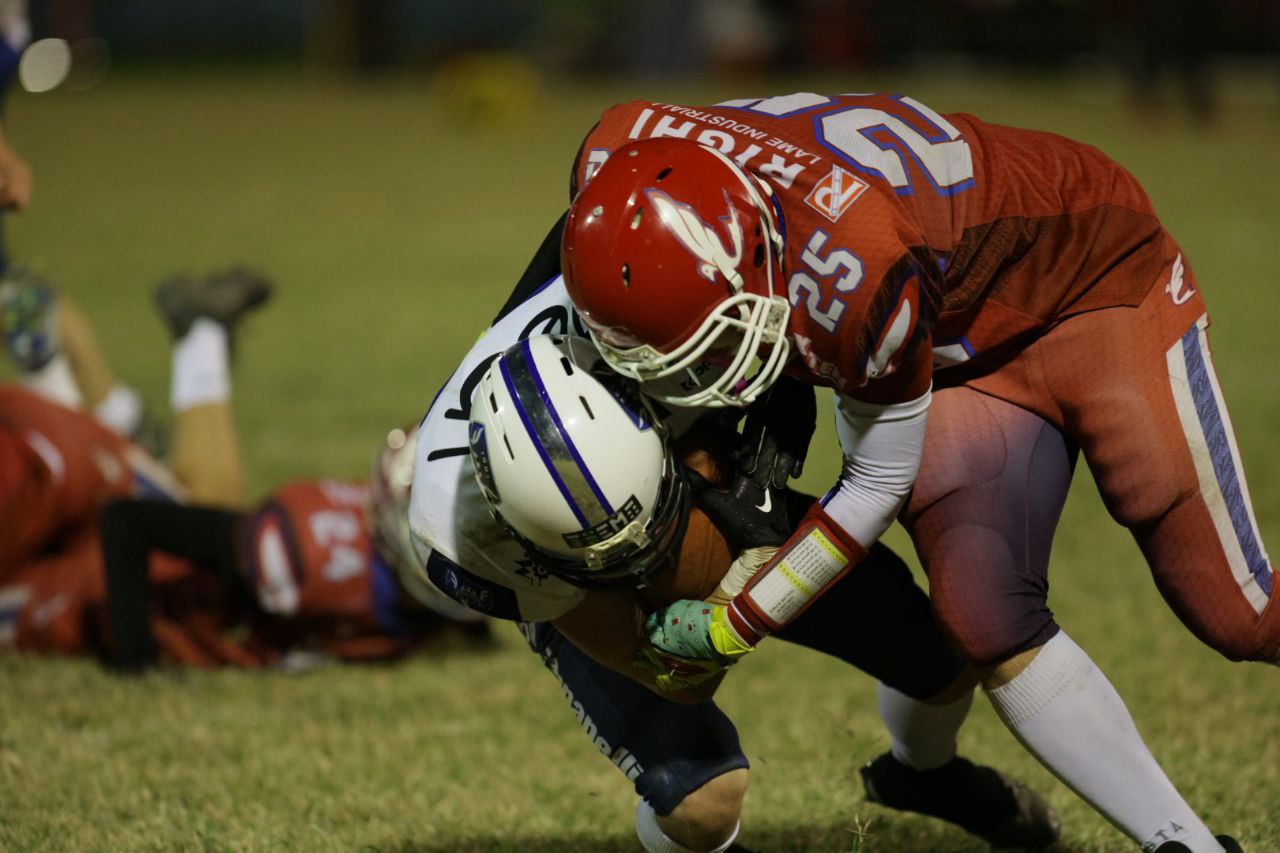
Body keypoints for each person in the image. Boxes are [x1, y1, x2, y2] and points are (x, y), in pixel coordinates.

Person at [557, 93, 1268, 852]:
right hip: (956, 338)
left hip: (1095, 282)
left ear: (763, 262)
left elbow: (872, 484)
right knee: (985, 619)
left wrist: (740, 618)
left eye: (711, 347)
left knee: (1237, 611)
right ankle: (1186, 844)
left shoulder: (852, 273)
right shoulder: (614, 162)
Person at [408, 247, 1059, 851]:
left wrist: (778, 387)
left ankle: (924, 773)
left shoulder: (651, 306)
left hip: (678, 466)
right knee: (703, 798)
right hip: (597, 535)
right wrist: (726, 607)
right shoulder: (467, 542)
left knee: (936, 653)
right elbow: (673, 676)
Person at [0, 270, 485, 666]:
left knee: (120, 470)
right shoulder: (304, 557)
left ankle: (127, 393)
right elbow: (125, 522)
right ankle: (71, 377)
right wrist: (138, 665)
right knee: (127, 484)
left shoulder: (405, 554)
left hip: (71, 486)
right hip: (84, 566)